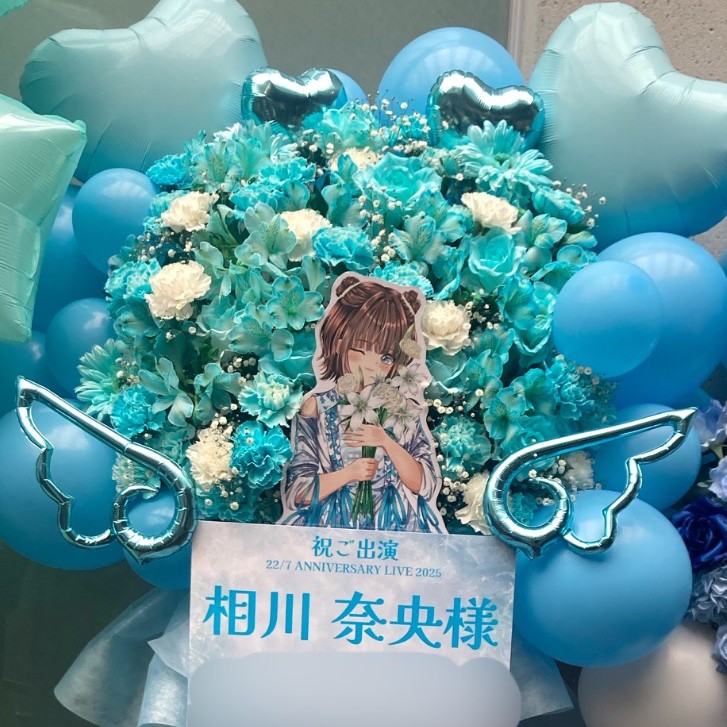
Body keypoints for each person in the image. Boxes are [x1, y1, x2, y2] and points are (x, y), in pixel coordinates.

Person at [280, 275, 445, 532]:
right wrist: (349, 474)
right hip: (332, 527)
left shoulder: (405, 409)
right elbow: (297, 492)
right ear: (338, 343)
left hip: (396, 525)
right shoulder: (318, 407)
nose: (371, 365)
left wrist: (386, 442)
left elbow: (426, 485)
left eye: (386, 357)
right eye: (359, 349)